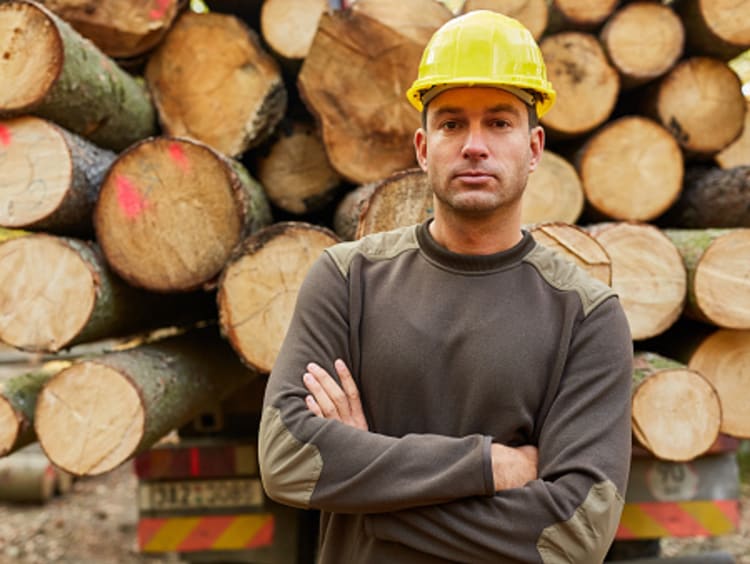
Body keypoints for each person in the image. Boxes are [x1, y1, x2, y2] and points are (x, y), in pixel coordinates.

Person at [258, 10, 633, 564]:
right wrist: (489, 467)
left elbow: (573, 536)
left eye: (499, 122)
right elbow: (288, 459)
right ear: (422, 146)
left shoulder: (585, 314)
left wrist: (367, 485)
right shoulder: (346, 280)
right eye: (452, 123)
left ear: (533, 149)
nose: (474, 145)